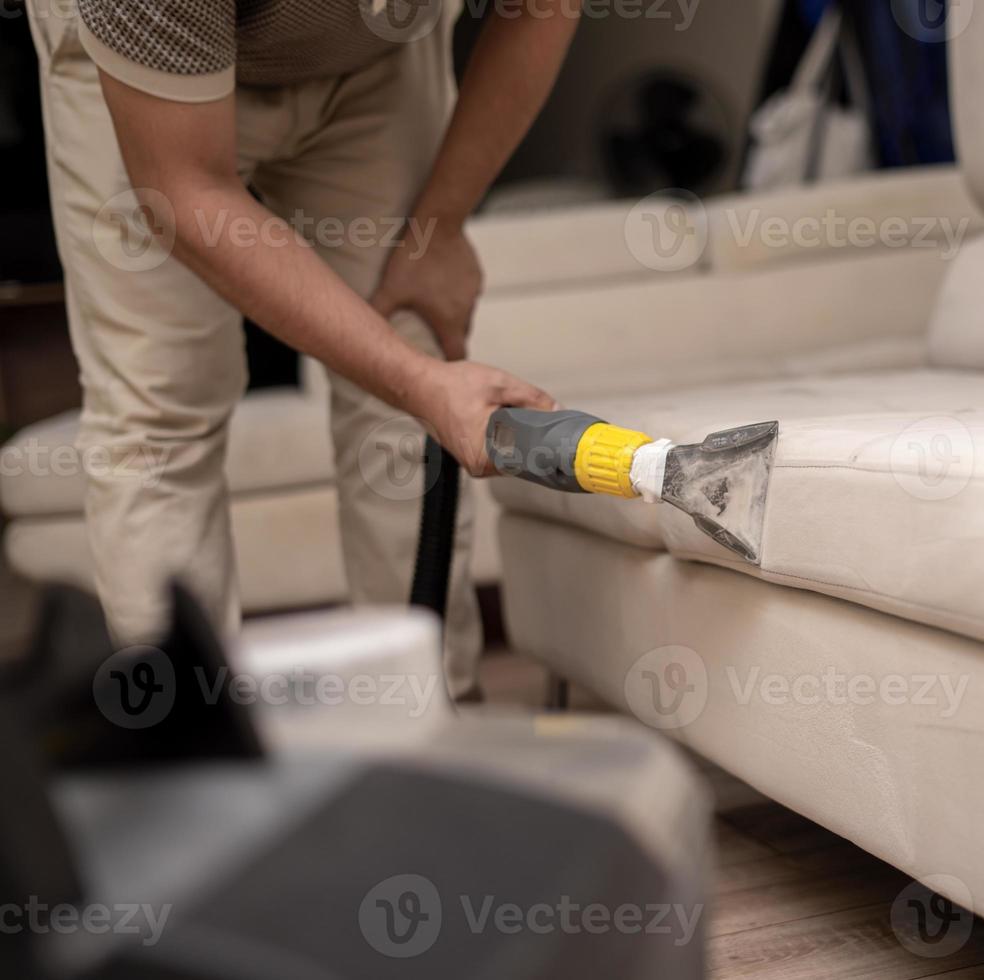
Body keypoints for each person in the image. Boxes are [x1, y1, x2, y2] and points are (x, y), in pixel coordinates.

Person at [24, 0, 577, 698]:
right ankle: (195, 758)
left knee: (408, 400)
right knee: (159, 410)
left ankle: (433, 726)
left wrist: (439, 230)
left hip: (376, 60)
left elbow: (541, 11)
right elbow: (186, 190)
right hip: (148, 93)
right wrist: (414, 380)